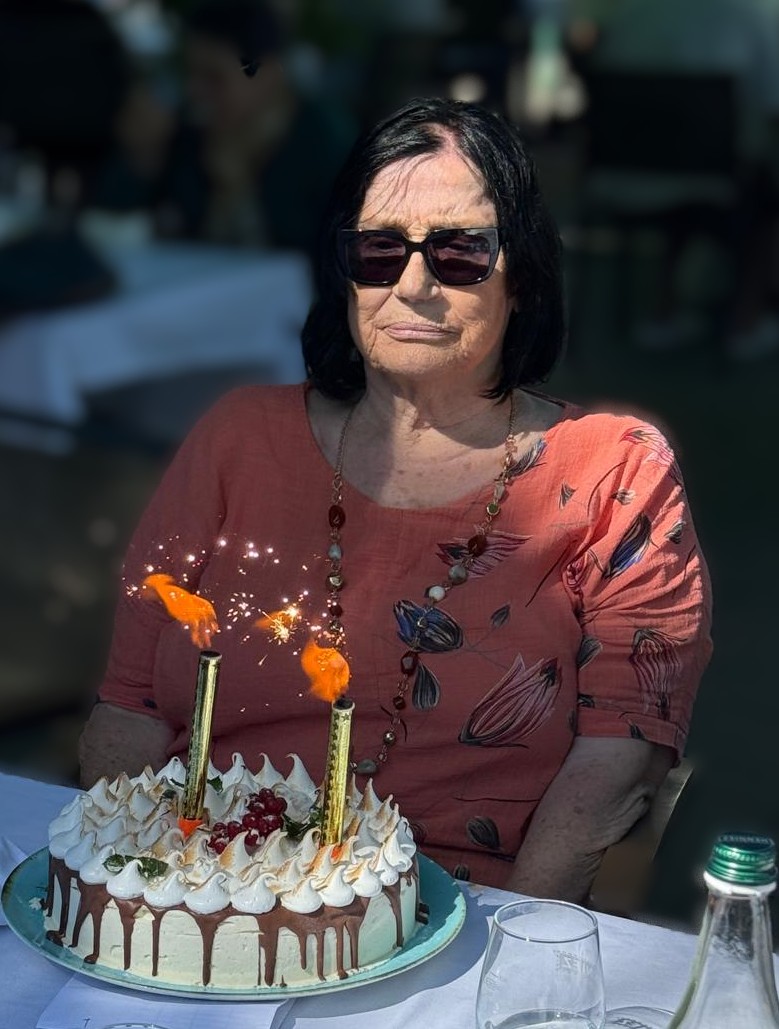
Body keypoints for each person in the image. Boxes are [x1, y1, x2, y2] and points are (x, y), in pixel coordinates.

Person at [78, 97, 712, 901]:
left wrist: (511, 935)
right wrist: (141, 903)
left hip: (466, 907)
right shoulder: (237, 438)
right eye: (379, 249)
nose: (413, 285)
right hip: (209, 891)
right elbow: (130, 705)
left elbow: (618, 757)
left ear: (522, 275)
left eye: (459, 252)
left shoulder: (614, 470)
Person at [151, 0, 357, 255]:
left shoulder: (324, 139)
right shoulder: (190, 135)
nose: (195, 90)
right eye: (190, 73)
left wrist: (237, 189)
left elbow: (333, 248)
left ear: (266, 72)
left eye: (214, 77)